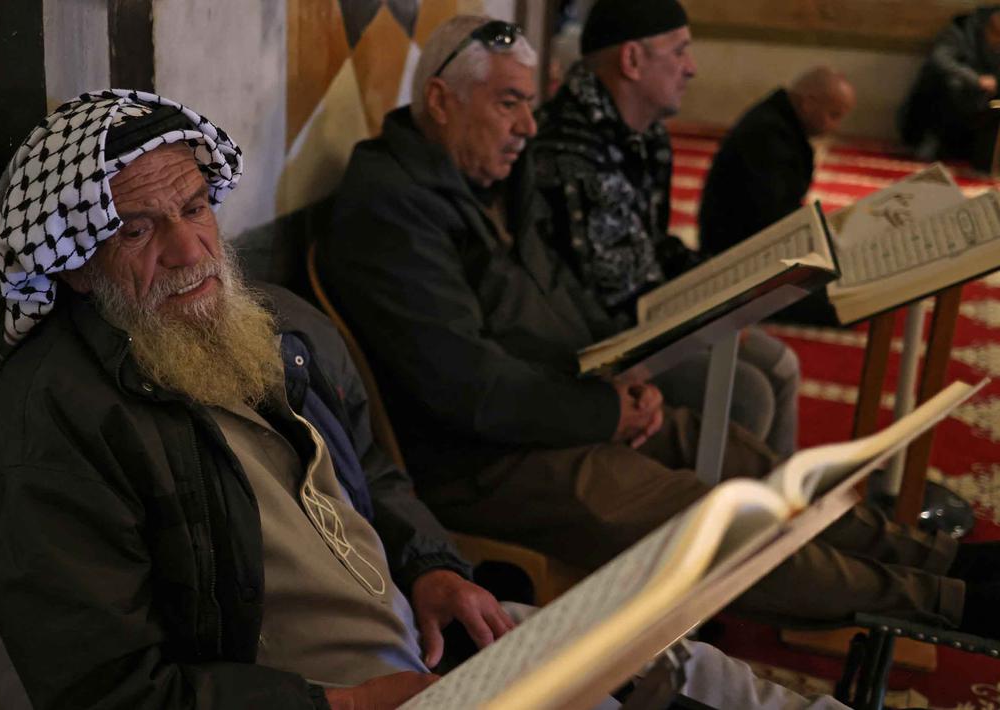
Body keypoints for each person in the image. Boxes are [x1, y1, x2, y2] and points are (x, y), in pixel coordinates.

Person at [0, 90, 845, 710]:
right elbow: (112, 692)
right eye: (136, 229)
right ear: (70, 260)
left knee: (693, 665)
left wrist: (431, 566)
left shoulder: (263, 323)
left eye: (195, 208)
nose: (187, 249)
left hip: (425, 645)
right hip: (343, 697)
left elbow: (373, 473)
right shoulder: (43, 434)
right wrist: (347, 703)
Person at [318, 14, 1000, 642]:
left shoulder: (484, 176)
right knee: (712, 515)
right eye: (508, 103)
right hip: (480, 460)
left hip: (545, 410)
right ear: (441, 101)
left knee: (737, 456)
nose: (528, 125)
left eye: (530, 102)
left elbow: (557, 298)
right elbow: (465, 387)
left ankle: (939, 560)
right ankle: (946, 603)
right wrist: (600, 410)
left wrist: (625, 373)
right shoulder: (392, 211)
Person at [531, 0, 800, 457]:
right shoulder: (570, 150)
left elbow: (653, 249)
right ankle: (720, 502)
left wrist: (734, 289)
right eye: (679, 52)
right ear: (632, 60)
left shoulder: (645, 132)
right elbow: (609, 300)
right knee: (747, 394)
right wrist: (712, 315)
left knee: (781, 365)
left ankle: (779, 500)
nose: (691, 68)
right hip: (589, 340)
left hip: (643, 314)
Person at [698, 67, 855, 326]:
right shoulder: (767, 136)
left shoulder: (779, 123)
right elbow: (772, 220)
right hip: (733, 261)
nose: (835, 126)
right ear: (808, 103)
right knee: (843, 304)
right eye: (833, 115)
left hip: (747, 245)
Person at [899, 5, 1000, 172]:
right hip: (951, 100)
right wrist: (976, 80)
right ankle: (931, 142)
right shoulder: (961, 30)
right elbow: (940, 59)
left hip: (985, 107)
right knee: (952, 83)